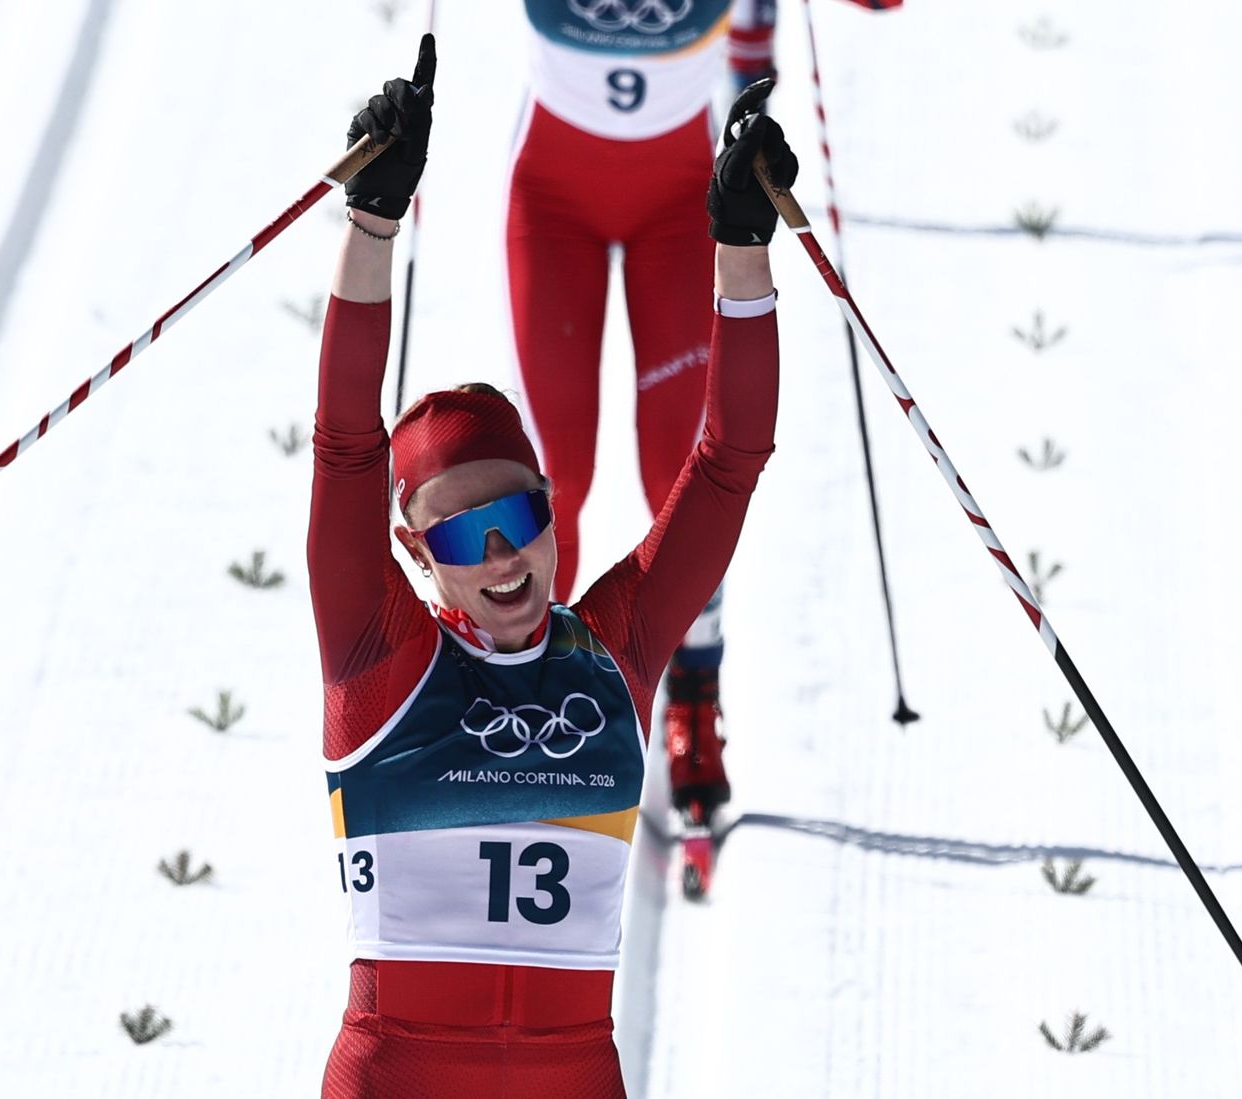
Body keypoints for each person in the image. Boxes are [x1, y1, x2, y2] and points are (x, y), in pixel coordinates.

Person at [310, 35, 796, 1097]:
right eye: (458, 534)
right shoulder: (376, 655)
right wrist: (372, 224)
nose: (501, 555)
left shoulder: (611, 651)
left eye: (519, 514)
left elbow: (728, 461)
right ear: (412, 550)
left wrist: (740, 250)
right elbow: (347, 444)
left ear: (547, 500)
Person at [510, 0, 779, 848]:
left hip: (680, 203)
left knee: (680, 477)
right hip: (553, 199)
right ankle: (535, 710)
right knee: (553, 481)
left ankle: (694, 696)